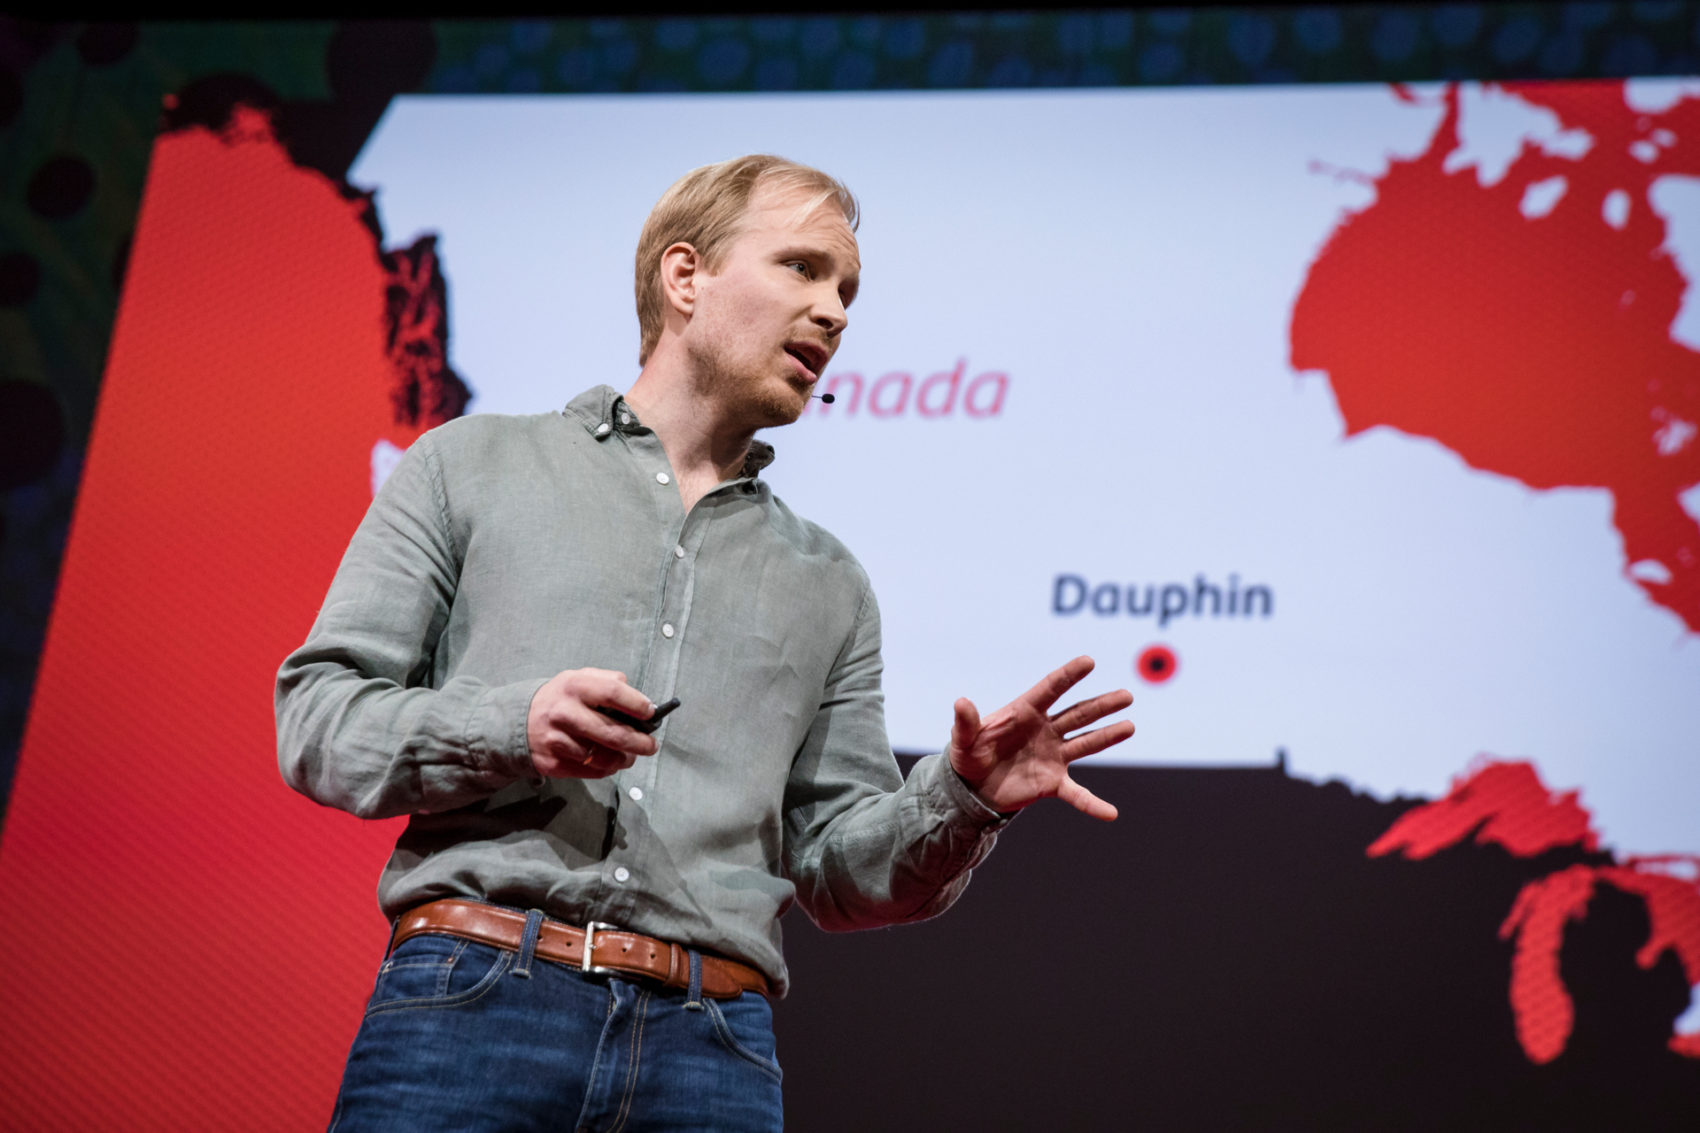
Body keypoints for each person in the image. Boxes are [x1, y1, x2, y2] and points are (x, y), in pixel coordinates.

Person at [276, 154, 1135, 1132]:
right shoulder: (469, 465)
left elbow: (838, 871)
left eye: (848, 292)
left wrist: (962, 796)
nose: (834, 312)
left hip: (708, 1050)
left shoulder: (828, 581)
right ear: (685, 277)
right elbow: (320, 722)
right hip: (472, 1002)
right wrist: (514, 725)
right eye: (803, 268)